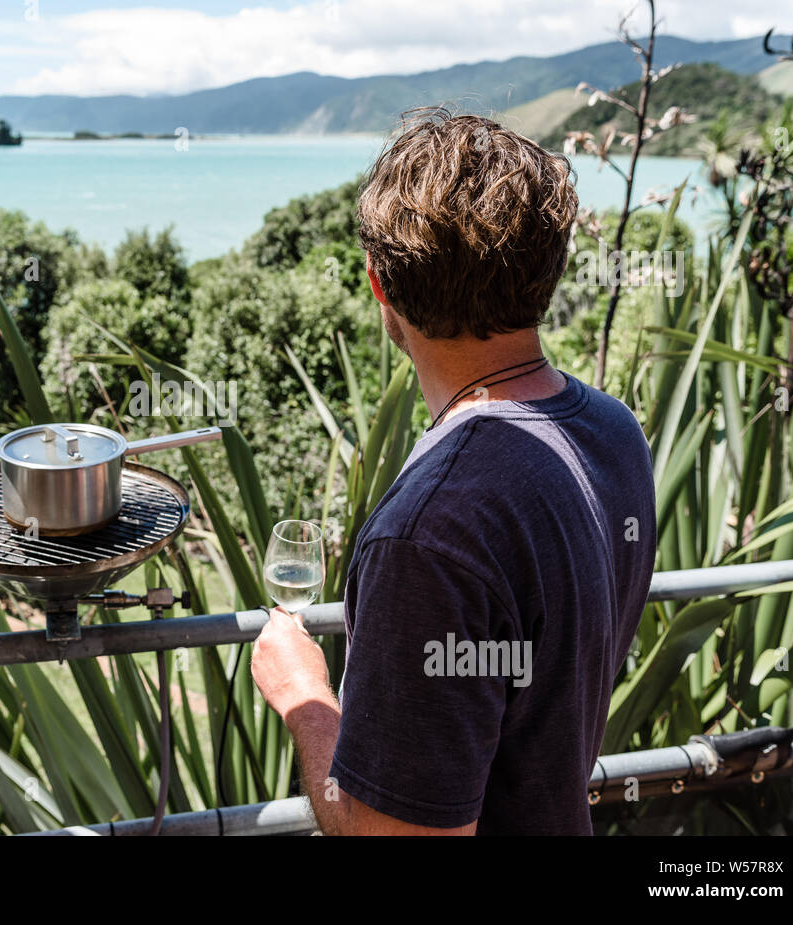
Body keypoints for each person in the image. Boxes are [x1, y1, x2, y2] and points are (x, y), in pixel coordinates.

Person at [251, 108, 657, 835]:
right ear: (551, 268)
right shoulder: (615, 432)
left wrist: (302, 694)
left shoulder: (431, 533)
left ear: (380, 286)